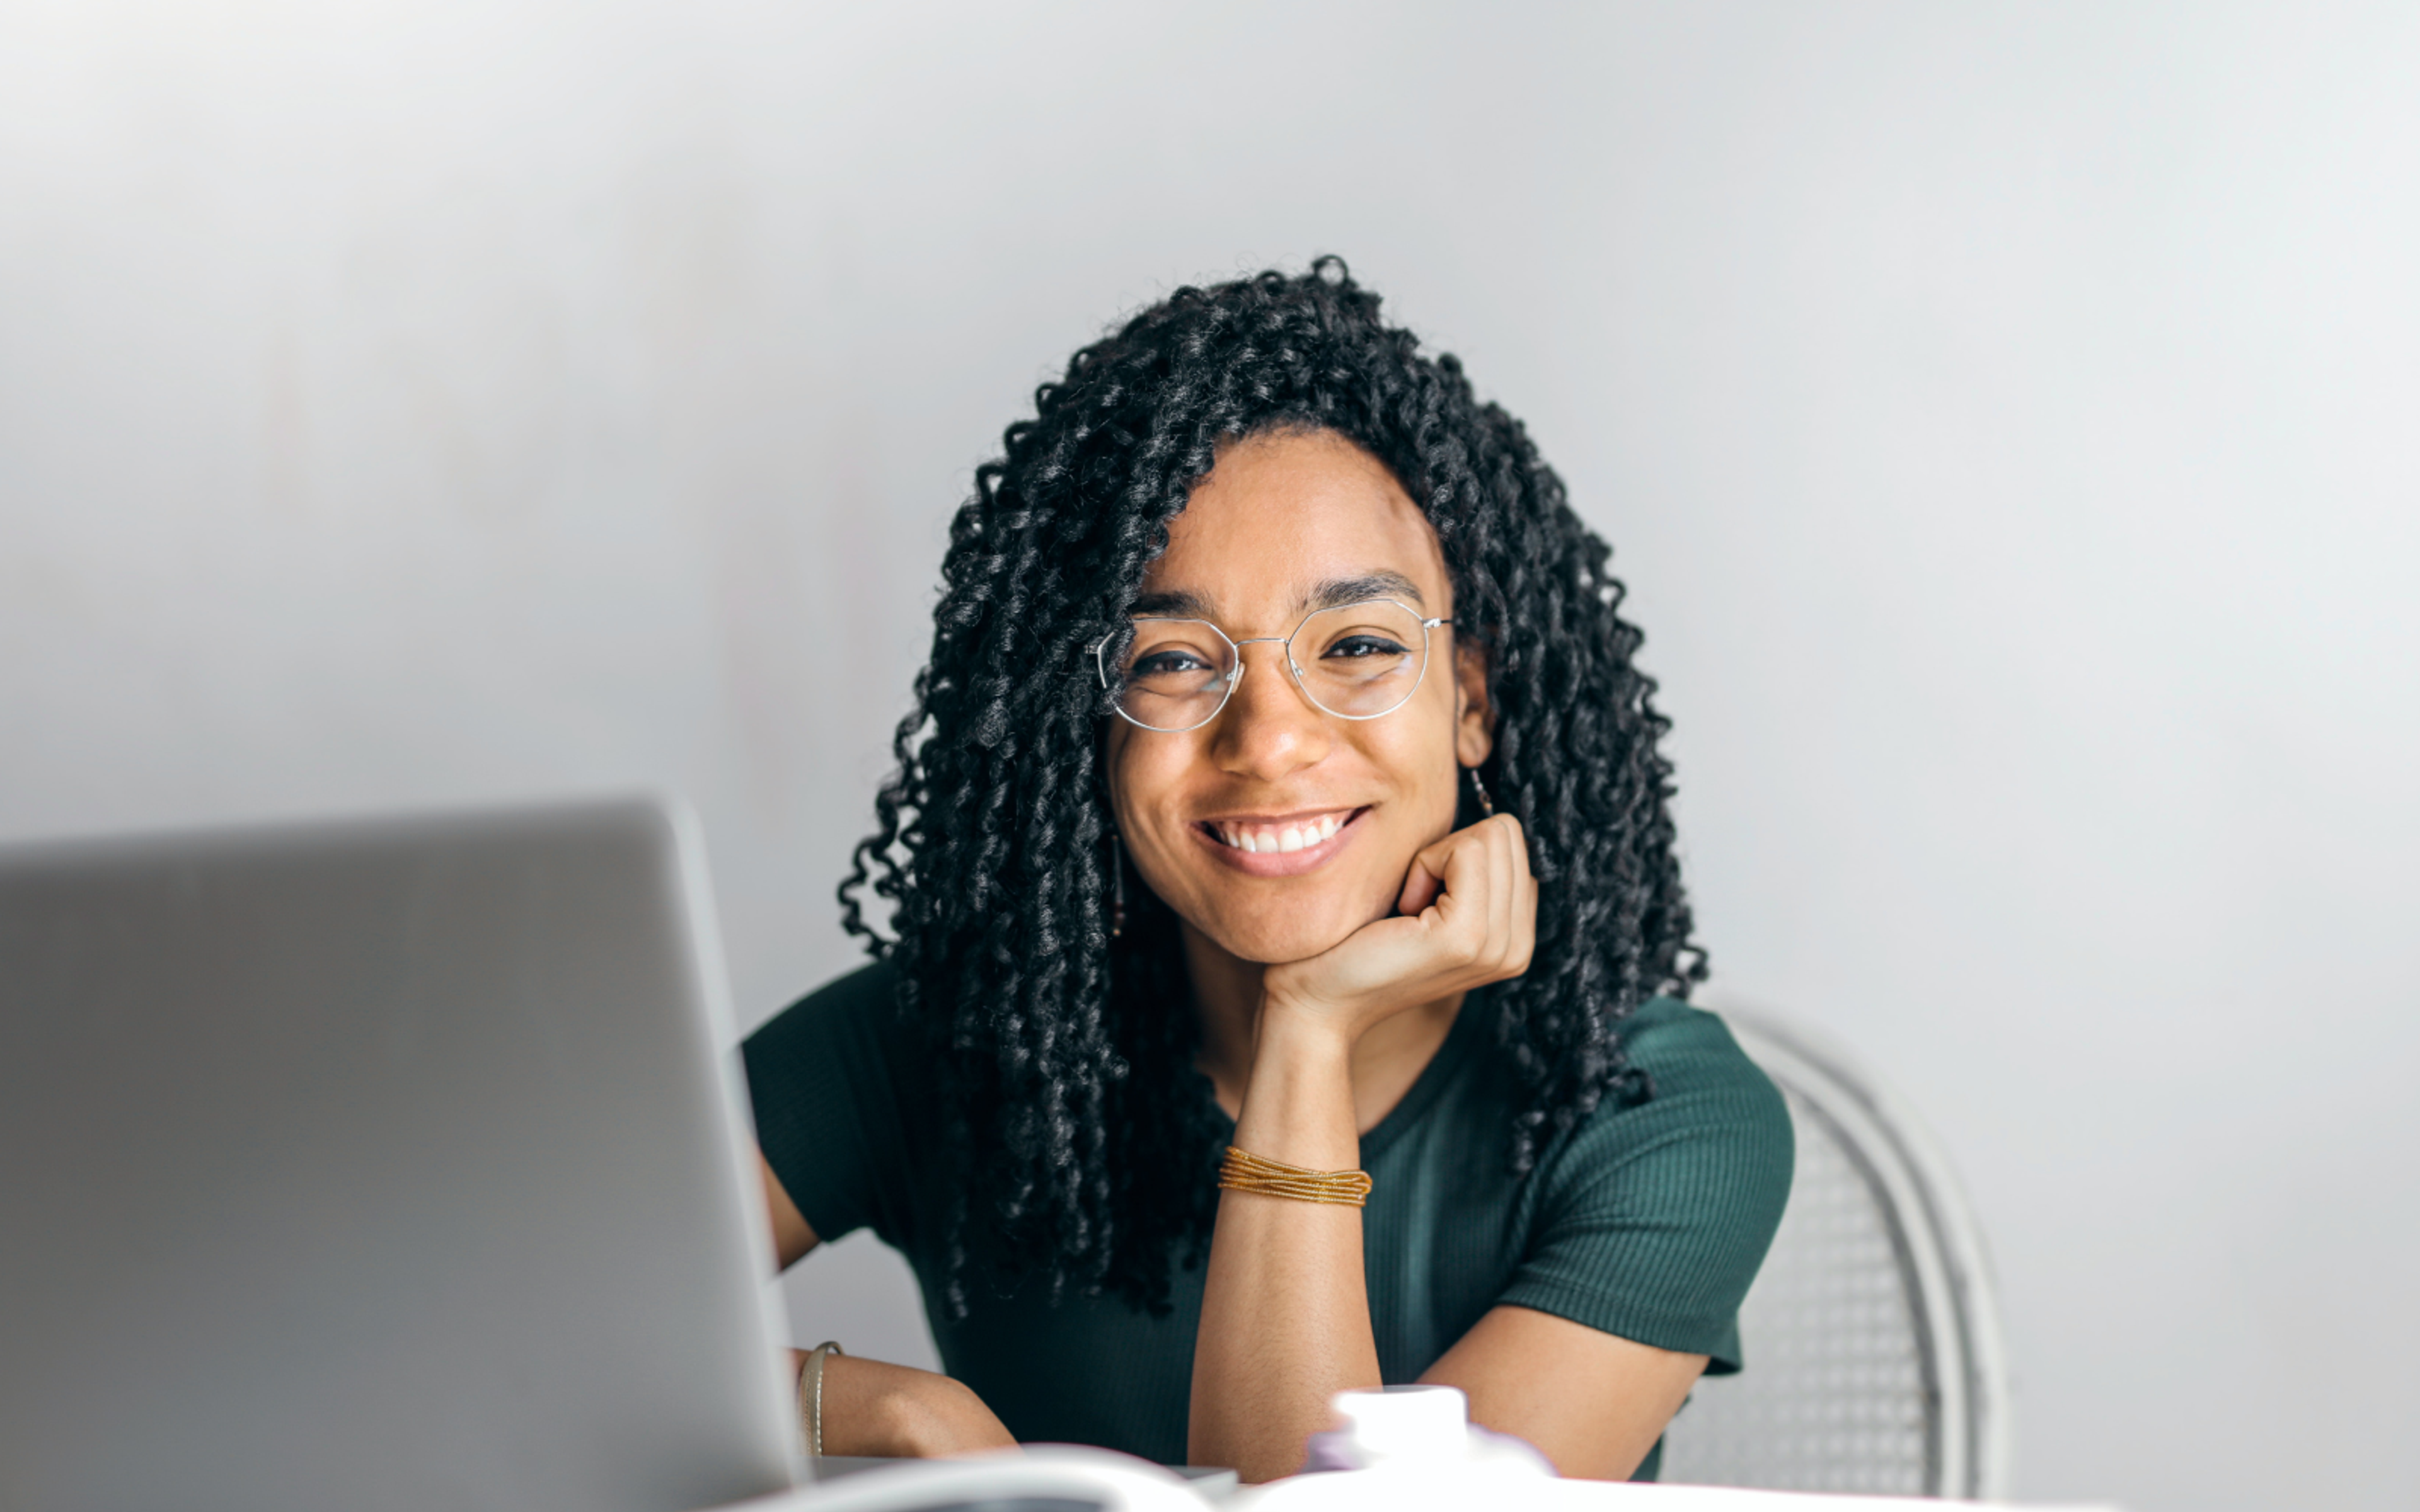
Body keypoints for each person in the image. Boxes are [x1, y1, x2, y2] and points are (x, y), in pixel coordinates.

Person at [744, 260, 1792, 1483]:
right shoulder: (946, 1037)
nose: (1272, 740)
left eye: (1355, 645)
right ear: (1085, 722)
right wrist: (875, 1410)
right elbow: (496, 1317)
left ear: (1472, 699)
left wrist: (1310, 1030)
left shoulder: (1657, 1115)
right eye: (1174, 662)